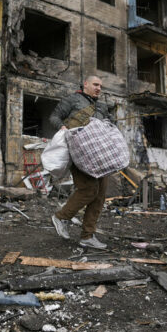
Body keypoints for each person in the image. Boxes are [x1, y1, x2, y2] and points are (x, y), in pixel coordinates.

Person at [48, 75, 110, 249]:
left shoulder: (103, 106)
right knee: (89, 189)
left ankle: (87, 236)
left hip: (100, 154)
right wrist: (62, 127)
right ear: (86, 84)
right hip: (79, 152)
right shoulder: (72, 99)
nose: (99, 88)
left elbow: (109, 125)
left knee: (99, 195)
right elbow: (54, 117)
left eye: (100, 86)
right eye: (95, 84)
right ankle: (61, 217)